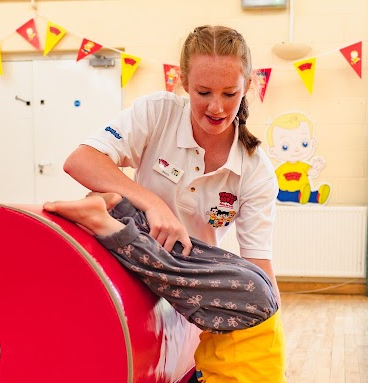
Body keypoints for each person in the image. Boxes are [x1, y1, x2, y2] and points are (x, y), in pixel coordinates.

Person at [44, 194, 286, 383]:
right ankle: (102, 221)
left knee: (182, 254)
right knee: (163, 273)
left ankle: (122, 210)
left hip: (259, 295)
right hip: (241, 314)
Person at [62, 25, 281, 301]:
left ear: (247, 86)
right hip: (136, 257)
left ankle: (104, 218)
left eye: (229, 94)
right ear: (185, 83)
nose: (216, 107)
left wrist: (270, 325)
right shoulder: (157, 113)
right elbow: (80, 161)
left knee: (255, 287)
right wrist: (154, 205)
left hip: (190, 271)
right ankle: (105, 218)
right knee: (130, 212)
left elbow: (259, 263)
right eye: (203, 93)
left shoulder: (255, 170)